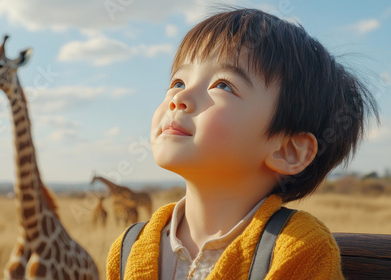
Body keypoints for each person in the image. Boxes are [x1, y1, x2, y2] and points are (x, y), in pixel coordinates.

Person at [106, 8, 378, 280]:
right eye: (178, 81)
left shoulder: (298, 249)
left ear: (288, 151)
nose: (180, 98)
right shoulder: (129, 247)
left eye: (222, 85)